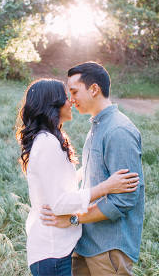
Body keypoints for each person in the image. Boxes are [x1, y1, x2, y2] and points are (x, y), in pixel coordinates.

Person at [16, 78, 140, 276]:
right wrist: (105, 187)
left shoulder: (48, 139)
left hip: (55, 249)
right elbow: (59, 203)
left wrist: (93, 170)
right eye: (66, 97)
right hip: (52, 251)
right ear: (51, 105)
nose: (71, 101)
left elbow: (60, 181)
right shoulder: (47, 143)